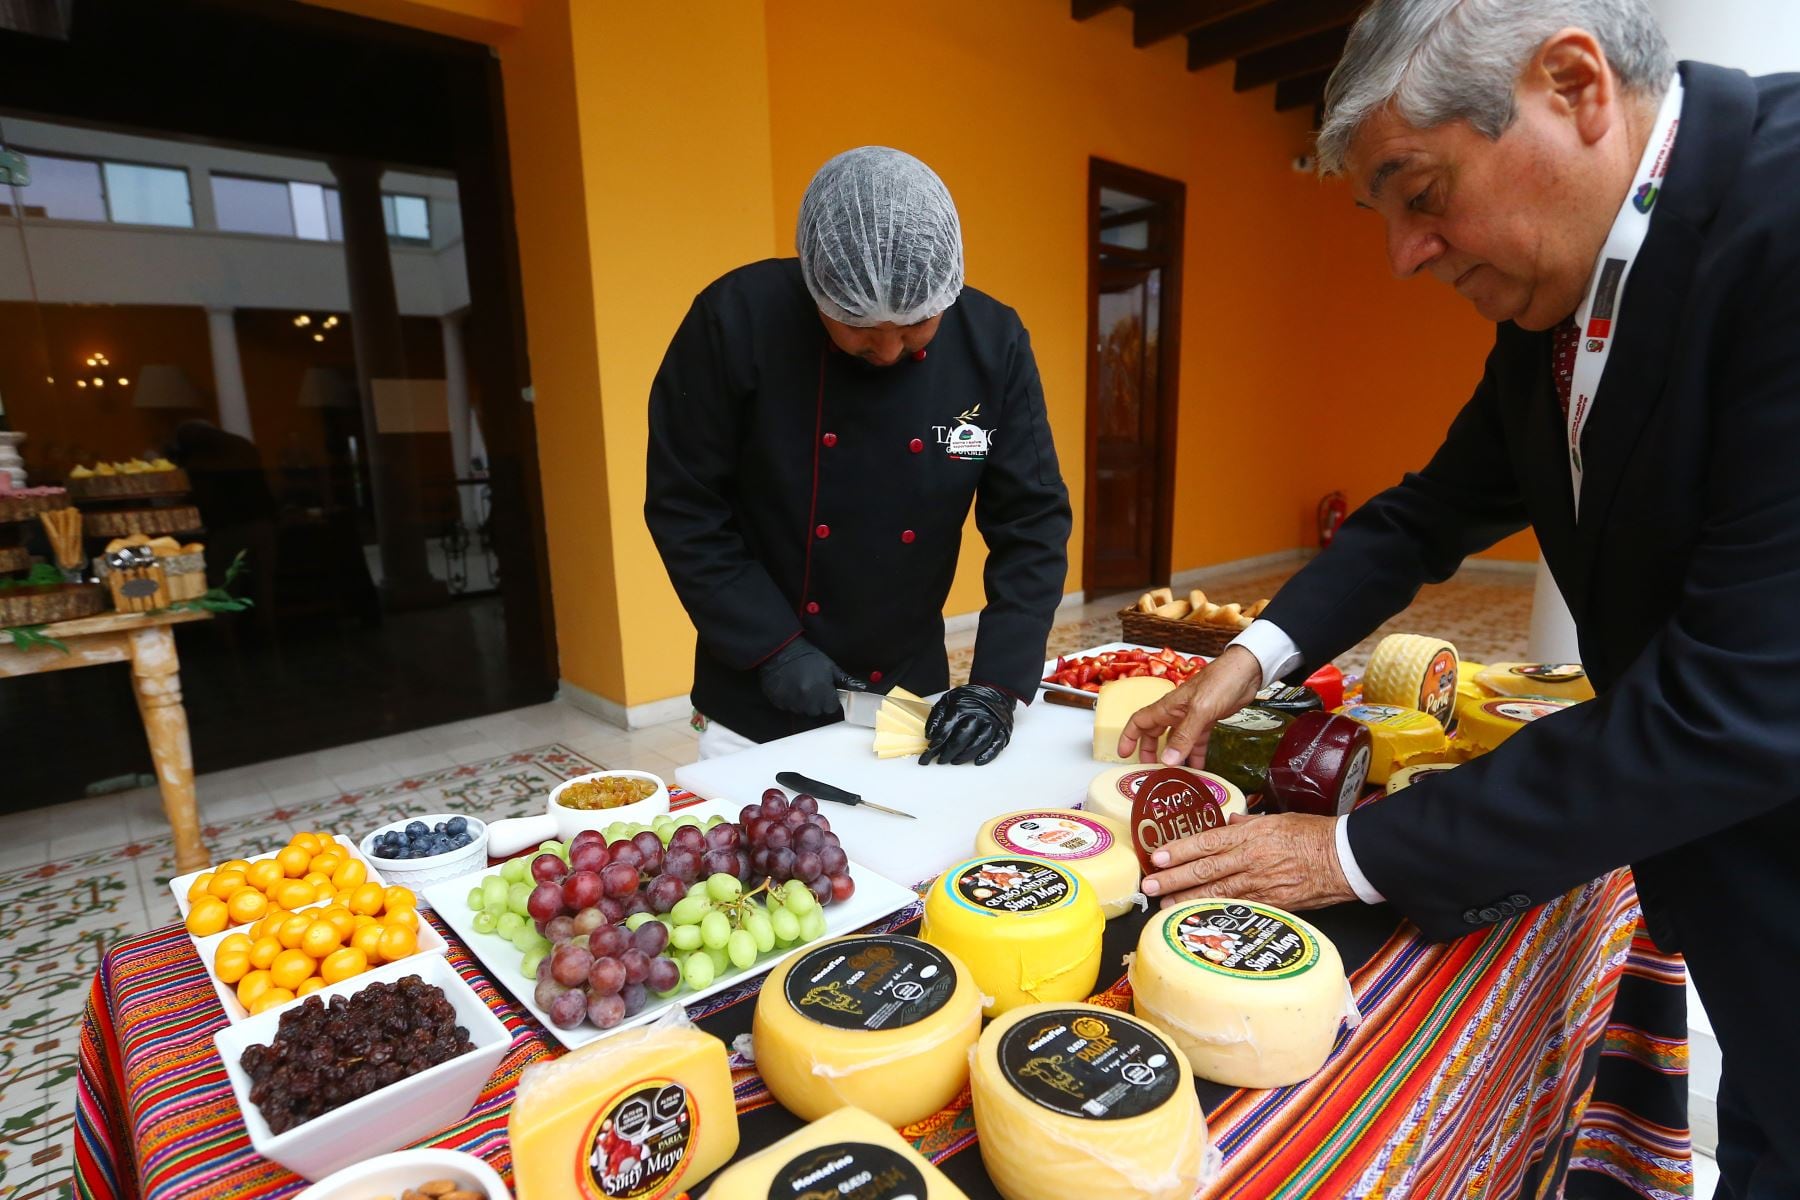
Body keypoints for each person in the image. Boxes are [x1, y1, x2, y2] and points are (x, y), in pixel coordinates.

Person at [1118, 2, 1800, 1193]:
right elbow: (1427, 514)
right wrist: (1253, 656)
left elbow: (1724, 708)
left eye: (1420, 193)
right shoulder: (1565, 298)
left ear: (1576, 87)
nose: (1404, 256)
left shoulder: (1784, 228)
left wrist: (1347, 852)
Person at [646, 147, 1071, 765]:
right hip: (754, 694)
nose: (891, 350)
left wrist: (996, 686)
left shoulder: (992, 341)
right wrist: (772, 647)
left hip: (907, 696)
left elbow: (1031, 522)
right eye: (861, 329)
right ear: (818, 287)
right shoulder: (735, 320)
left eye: (917, 325)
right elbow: (687, 506)